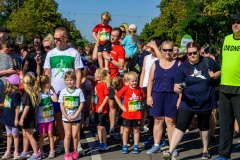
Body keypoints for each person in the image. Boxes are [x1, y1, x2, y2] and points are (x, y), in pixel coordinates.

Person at [162, 41, 221, 160]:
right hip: (187, 102)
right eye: (189, 54)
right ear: (187, 54)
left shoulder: (208, 61)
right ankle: (170, 151)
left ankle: (205, 149)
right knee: (180, 126)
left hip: (205, 101)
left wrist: (214, 75)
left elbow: (219, 70)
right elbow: (175, 86)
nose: (192, 56)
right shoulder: (183, 66)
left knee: (204, 127)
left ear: (199, 52)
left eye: (194, 53)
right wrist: (178, 89)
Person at [44, 27, 84, 154]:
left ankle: (76, 144)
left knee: (75, 117)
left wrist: (77, 89)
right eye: (54, 39)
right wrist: (48, 91)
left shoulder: (74, 53)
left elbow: (78, 72)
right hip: (55, 91)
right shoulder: (50, 54)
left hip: (71, 91)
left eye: (58, 39)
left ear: (65, 38)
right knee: (58, 117)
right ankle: (62, 141)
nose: (55, 41)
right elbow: (47, 73)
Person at [146, 41, 179, 156]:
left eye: (170, 50)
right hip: (157, 95)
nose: (167, 52)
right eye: (165, 50)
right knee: (158, 121)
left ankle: (172, 147)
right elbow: (150, 81)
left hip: (172, 95)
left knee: (170, 122)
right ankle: (156, 145)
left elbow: (182, 83)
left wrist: (180, 98)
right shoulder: (155, 64)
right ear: (161, 50)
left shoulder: (178, 64)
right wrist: (149, 96)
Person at [216, 13, 240, 160]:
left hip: (239, 88)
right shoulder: (226, 39)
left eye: (238, 22)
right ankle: (224, 155)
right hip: (225, 87)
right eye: (233, 22)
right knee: (225, 124)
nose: (235, 25)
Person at [99, 27, 125, 136]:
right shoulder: (105, 44)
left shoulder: (120, 49)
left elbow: (121, 65)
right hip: (104, 78)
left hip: (114, 79)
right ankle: (106, 124)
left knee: (113, 104)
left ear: (119, 37)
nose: (113, 37)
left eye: (115, 35)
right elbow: (97, 56)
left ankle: (112, 126)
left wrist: (109, 59)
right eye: (112, 35)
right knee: (106, 104)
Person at [115, 71, 145, 154]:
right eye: (132, 81)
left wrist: (141, 105)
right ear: (128, 82)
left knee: (136, 130)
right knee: (126, 130)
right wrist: (121, 106)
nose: (134, 82)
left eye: (136, 80)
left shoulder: (139, 89)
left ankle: (136, 145)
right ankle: (124, 145)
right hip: (127, 115)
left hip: (136, 114)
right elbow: (116, 96)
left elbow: (143, 97)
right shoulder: (125, 88)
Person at [58, 71, 85, 160]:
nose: (69, 82)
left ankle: (75, 151)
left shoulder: (78, 91)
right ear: (64, 80)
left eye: (71, 80)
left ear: (75, 80)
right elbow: (61, 105)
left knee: (75, 135)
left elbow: (81, 103)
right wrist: (65, 115)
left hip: (76, 117)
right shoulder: (63, 92)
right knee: (68, 135)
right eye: (67, 80)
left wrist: (76, 114)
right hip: (66, 118)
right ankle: (67, 153)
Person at [19, 73, 40, 160]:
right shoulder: (31, 93)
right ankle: (25, 151)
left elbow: (27, 107)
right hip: (28, 118)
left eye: (23, 82)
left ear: (26, 83)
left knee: (30, 136)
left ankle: (36, 153)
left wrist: (22, 117)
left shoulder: (27, 94)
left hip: (27, 118)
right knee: (25, 135)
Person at [36, 75, 58, 159]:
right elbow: (37, 107)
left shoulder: (49, 93)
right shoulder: (39, 94)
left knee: (50, 134)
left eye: (49, 82)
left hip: (50, 119)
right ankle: (40, 150)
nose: (49, 84)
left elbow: (55, 100)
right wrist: (36, 118)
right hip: (41, 119)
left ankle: (52, 151)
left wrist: (53, 90)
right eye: (48, 83)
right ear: (43, 84)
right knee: (42, 135)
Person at [0, 74, 21, 159]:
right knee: (8, 135)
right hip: (6, 117)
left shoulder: (15, 94)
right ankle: (8, 151)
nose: (6, 82)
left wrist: (16, 119)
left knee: (15, 135)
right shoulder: (8, 92)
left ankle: (16, 152)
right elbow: (6, 104)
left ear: (11, 83)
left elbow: (17, 107)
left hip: (13, 118)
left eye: (7, 81)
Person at [92, 68, 110, 150]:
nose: (94, 75)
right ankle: (100, 141)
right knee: (98, 126)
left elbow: (107, 96)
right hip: (96, 108)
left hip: (102, 109)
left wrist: (102, 106)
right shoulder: (97, 84)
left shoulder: (103, 84)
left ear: (100, 75)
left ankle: (104, 143)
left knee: (102, 127)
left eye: (95, 73)